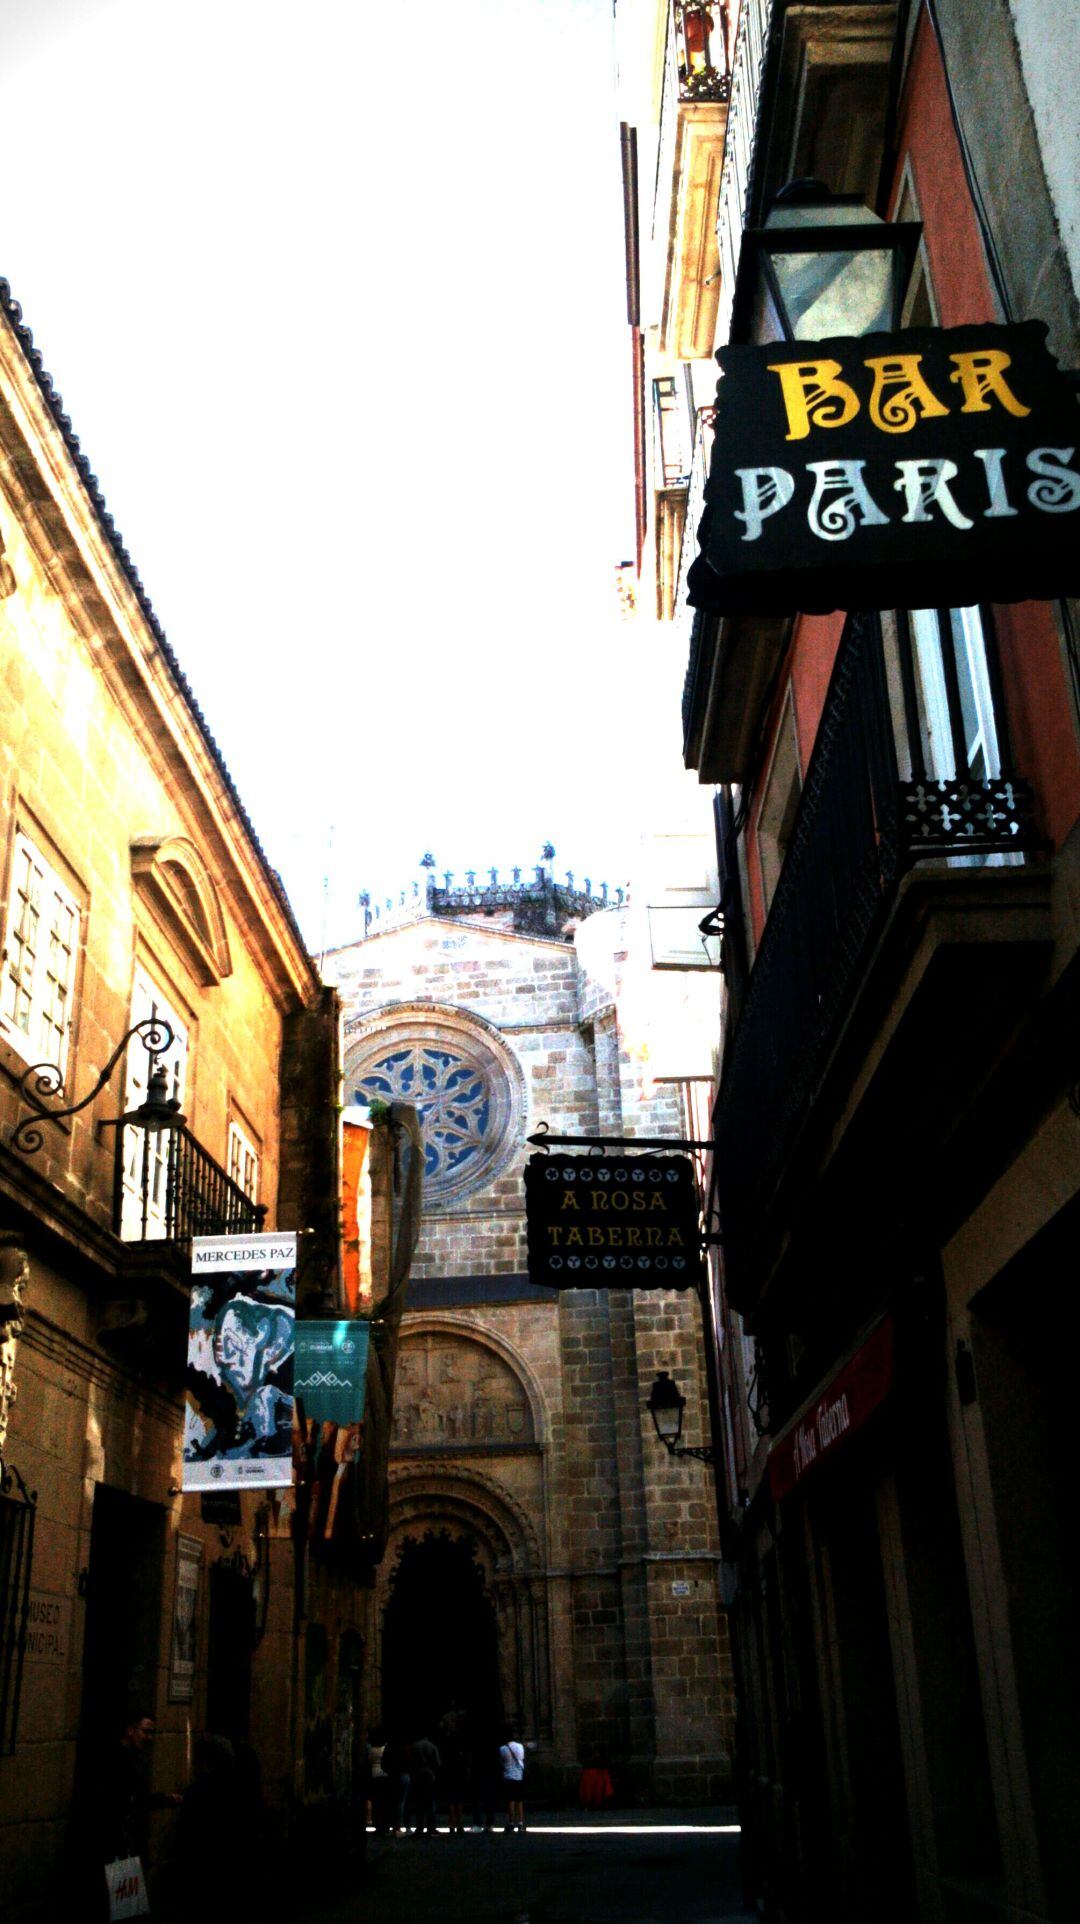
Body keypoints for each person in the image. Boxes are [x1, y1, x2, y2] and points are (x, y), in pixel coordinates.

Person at [408, 1730, 441, 1835]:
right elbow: (437, 1763)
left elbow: (410, 1761)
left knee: (419, 1802)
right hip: (429, 1774)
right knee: (431, 1802)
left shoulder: (414, 1746)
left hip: (417, 1774)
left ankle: (419, 1827)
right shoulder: (432, 1746)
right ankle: (431, 1826)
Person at [498, 1723, 526, 1835]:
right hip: (519, 1776)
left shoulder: (503, 1748)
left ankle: (511, 1822)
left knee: (510, 1800)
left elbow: (502, 1762)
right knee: (519, 1801)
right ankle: (521, 1823)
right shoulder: (520, 1746)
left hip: (508, 1776)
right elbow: (522, 1759)